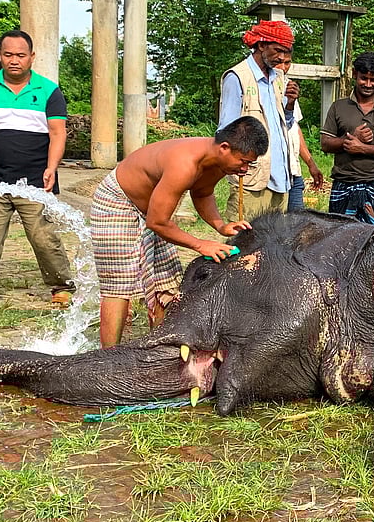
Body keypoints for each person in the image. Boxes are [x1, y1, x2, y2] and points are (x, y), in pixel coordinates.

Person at [91, 115, 266, 348]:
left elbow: (202, 193)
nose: (244, 169)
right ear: (224, 147)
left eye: (249, 164)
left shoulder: (220, 162)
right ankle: (108, 356)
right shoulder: (184, 164)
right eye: (243, 161)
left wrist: (220, 226)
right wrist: (200, 244)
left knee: (166, 279)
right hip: (118, 202)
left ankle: (158, 348)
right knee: (119, 283)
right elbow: (157, 222)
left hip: (153, 211)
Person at [0, 30, 74, 320]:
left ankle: (62, 288)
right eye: (9, 54)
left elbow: (57, 132)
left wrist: (52, 167)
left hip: (36, 182)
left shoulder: (49, 91)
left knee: (44, 237)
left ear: (32, 57)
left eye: (21, 55)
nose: (15, 60)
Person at [218, 20, 298, 217]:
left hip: (281, 179)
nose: (281, 57)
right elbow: (226, 131)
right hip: (251, 179)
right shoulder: (237, 77)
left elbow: (285, 125)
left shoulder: (278, 77)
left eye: (285, 52)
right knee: (245, 233)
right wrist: (236, 164)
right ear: (261, 45)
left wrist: (290, 104)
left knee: (277, 235)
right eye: (277, 50)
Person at [321, 52, 374, 223]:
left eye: (373, 80)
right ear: (354, 75)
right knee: (338, 233)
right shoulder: (339, 107)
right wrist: (350, 138)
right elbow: (325, 144)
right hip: (343, 181)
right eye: (363, 78)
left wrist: (362, 148)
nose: (368, 84)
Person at [271, 56, 324, 211]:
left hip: (293, 172)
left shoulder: (289, 87)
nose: (282, 67)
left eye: (287, 63)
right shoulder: (262, 87)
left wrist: (311, 164)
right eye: (278, 62)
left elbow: (294, 129)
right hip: (271, 174)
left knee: (297, 221)